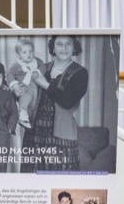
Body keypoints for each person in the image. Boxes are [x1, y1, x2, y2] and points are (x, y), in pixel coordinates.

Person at [22, 35, 89, 172]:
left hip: (62, 135)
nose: (64, 48)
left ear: (74, 47)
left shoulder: (80, 73)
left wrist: (44, 84)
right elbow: (29, 93)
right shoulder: (42, 68)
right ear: (53, 48)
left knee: (61, 178)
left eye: (68, 44)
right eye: (59, 44)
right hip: (34, 134)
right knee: (32, 177)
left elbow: (67, 101)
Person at [7, 38, 45, 129]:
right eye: (24, 52)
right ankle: (22, 113)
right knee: (26, 96)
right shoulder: (17, 65)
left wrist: (38, 72)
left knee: (34, 104)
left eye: (30, 52)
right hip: (24, 87)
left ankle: (28, 117)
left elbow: (43, 67)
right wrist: (15, 85)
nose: (28, 54)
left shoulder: (36, 62)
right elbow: (10, 74)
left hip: (35, 88)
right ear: (18, 55)